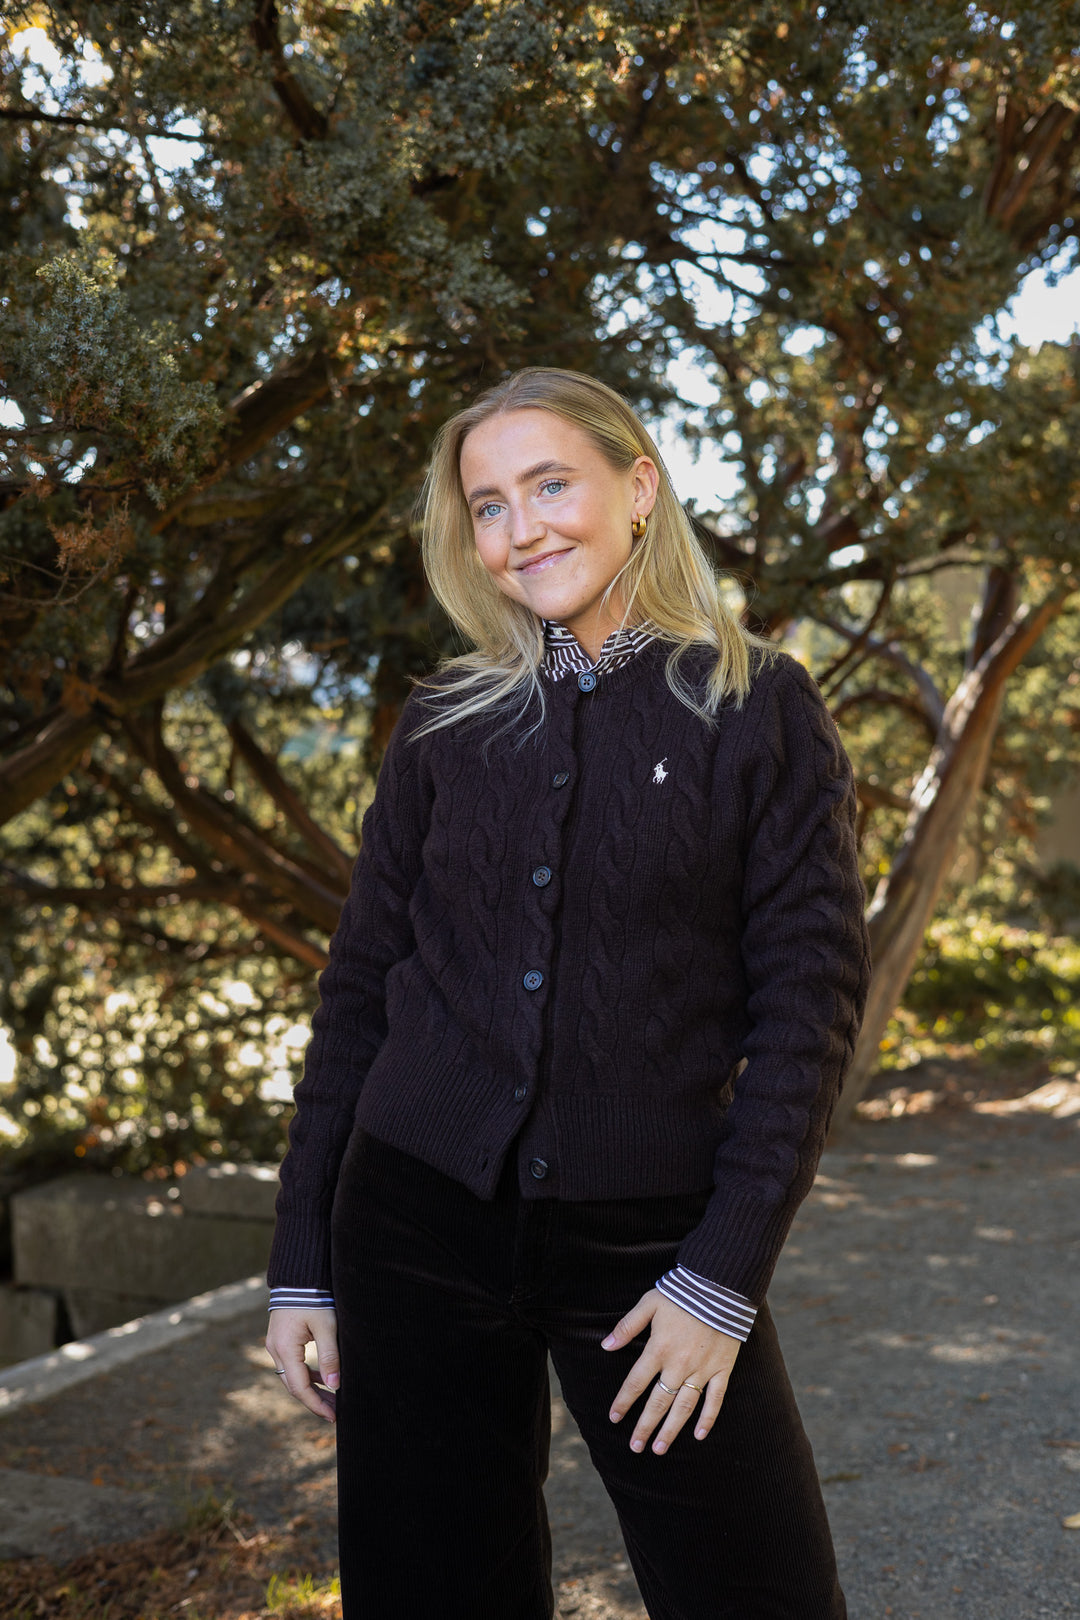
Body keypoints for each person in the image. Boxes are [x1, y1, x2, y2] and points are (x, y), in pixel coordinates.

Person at [264, 367, 872, 1620]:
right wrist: (301, 1263)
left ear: (638, 488)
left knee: (761, 1594)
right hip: (414, 1221)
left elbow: (808, 1009)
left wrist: (721, 1277)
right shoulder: (444, 721)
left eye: (550, 486)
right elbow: (362, 990)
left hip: (653, 1244)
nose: (521, 529)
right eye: (488, 505)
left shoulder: (755, 708)